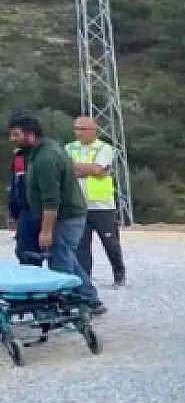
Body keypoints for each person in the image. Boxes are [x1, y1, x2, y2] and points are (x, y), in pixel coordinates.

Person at [7, 113, 103, 313]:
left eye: (16, 134)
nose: (12, 139)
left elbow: (51, 200)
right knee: (65, 256)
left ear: (30, 134)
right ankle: (88, 298)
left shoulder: (46, 158)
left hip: (66, 218)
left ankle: (61, 310)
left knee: (60, 263)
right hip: (65, 216)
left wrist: (46, 231)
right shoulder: (39, 151)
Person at [67, 116, 126, 287]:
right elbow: (66, 170)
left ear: (93, 131)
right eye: (76, 128)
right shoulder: (69, 148)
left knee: (110, 243)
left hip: (102, 206)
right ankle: (85, 279)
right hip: (78, 205)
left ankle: (119, 274)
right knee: (82, 246)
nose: (78, 132)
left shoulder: (104, 148)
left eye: (82, 129)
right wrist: (88, 169)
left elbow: (98, 170)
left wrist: (77, 168)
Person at [7, 141, 41, 266]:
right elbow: (15, 187)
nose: (12, 139)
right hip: (24, 211)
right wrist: (13, 214)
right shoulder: (19, 157)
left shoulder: (42, 157)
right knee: (24, 253)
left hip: (40, 211)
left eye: (16, 134)